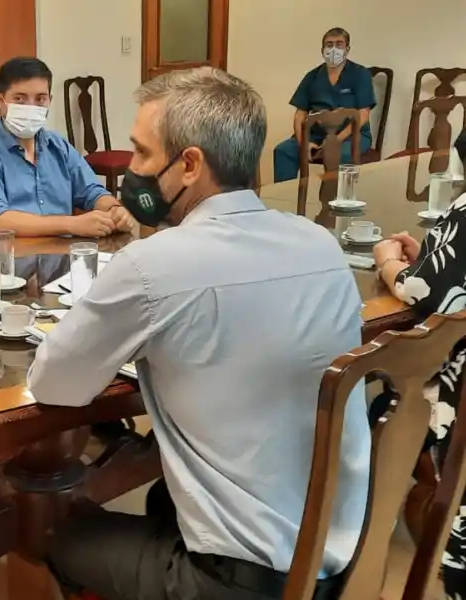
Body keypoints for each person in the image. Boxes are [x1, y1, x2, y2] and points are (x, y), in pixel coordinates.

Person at [28, 67, 369, 599]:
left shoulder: (152, 265)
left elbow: (54, 384)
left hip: (241, 578)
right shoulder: (320, 243)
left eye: (141, 154)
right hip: (332, 547)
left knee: (60, 536)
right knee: (163, 499)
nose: (132, 170)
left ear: (189, 165)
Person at [372, 140, 466, 597]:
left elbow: (424, 294)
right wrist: (432, 252)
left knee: (381, 399)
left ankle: (365, 528)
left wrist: (391, 263)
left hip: (456, 399)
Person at [0, 57, 134, 246]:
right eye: (20, 98)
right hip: (7, 265)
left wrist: (114, 209)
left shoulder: (57, 145)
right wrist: (72, 224)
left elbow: (92, 191)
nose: (31, 107)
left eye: (40, 99)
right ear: (0, 101)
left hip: (60, 262)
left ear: (50, 101)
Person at [273, 27, 376, 183]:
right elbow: (300, 114)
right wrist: (304, 141)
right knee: (283, 151)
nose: (333, 49)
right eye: (329, 44)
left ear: (347, 49)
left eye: (339, 44)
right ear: (322, 50)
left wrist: (336, 140)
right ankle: (285, 198)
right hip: (316, 135)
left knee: (339, 155)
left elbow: (363, 114)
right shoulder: (312, 77)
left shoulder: (360, 74)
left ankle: (337, 202)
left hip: (350, 136)